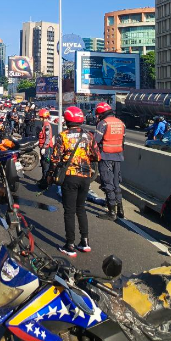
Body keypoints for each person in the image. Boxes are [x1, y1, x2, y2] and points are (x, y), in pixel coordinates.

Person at [50, 106, 101, 257]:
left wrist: (51, 174)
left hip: (70, 177)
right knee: (81, 208)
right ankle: (84, 242)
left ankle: (70, 244)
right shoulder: (89, 136)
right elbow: (97, 156)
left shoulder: (63, 136)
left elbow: (55, 158)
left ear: (66, 120)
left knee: (69, 211)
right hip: (85, 177)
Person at [93, 102, 126, 221]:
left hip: (106, 156)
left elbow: (96, 141)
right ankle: (120, 210)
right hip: (118, 156)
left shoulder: (103, 123)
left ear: (101, 113)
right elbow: (123, 141)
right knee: (117, 183)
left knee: (108, 183)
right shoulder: (121, 123)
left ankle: (111, 212)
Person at [37, 108, 54, 186]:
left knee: (46, 165)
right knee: (43, 163)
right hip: (43, 147)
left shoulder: (46, 125)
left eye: (40, 117)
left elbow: (48, 138)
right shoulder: (44, 124)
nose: (39, 118)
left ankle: (45, 182)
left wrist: (44, 147)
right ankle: (43, 178)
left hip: (47, 148)